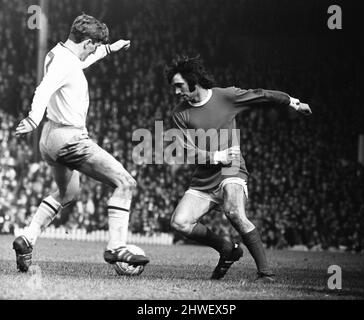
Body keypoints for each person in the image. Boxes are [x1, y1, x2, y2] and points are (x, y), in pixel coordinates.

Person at [12, 14, 149, 272]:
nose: (93, 51)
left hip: (50, 138)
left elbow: (80, 63)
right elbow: (45, 87)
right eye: (94, 46)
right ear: (87, 42)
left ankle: (27, 238)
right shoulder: (65, 63)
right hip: (69, 138)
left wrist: (110, 48)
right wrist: (32, 118)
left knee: (69, 193)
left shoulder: (59, 54)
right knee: (126, 183)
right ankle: (116, 246)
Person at [165, 56, 311, 282]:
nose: (175, 92)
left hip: (231, 168)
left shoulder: (226, 96)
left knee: (234, 212)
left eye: (179, 86)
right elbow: (185, 150)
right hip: (205, 176)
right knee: (179, 222)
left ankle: (264, 272)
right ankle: (227, 249)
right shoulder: (179, 113)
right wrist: (215, 156)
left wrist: (292, 101)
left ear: (193, 80)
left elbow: (261, 95)